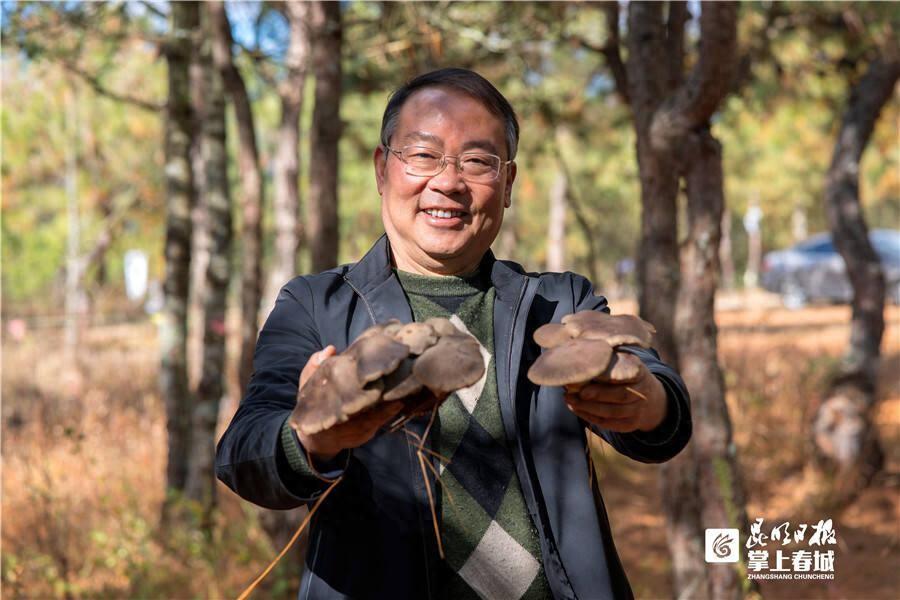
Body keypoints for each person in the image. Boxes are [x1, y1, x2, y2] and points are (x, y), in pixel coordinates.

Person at [216, 68, 691, 600]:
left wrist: (643, 402)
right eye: (423, 155)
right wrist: (311, 436)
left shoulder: (558, 304)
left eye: (478, 161)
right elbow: (242, 455)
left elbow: (663, 415)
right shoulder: (317, 305)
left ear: (508, 184)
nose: (448, 181)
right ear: (382, 168)